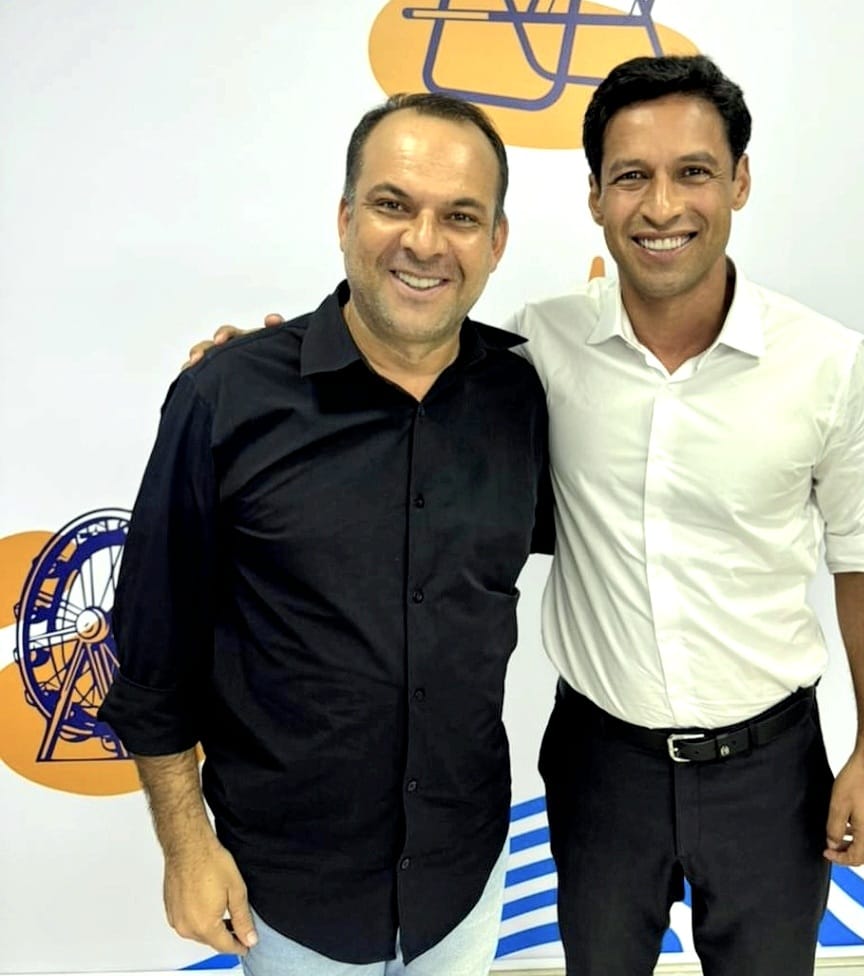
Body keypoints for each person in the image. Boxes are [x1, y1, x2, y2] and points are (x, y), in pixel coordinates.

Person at [191, 55, 864, 976]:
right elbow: (401, 343)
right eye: (631, 176)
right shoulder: (537, 348)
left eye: (693, 171)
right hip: (600, 768)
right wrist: (259, 369)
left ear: (739, 180)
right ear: (595, 197)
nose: (661, 206)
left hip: (771, 769)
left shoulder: (828, 363)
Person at [100, 93, 552, 976]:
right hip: (287, 898)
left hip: (464, 880)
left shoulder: (523, 400)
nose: (424, 241)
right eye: (392, 204)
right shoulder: (226, 398)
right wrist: (187, 847)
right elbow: (153, 653)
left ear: (496, 241)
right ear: (346, 219)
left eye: (461, 216)